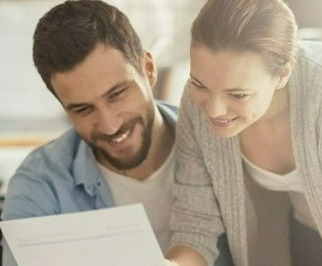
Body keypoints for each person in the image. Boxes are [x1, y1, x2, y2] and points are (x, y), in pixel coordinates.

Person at [166, 0, 322, 265]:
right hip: (304, 231)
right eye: (200, 84)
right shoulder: (195, 103)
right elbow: (195, 224)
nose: (213, 110)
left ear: (283, 72)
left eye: (238, 94)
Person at [1, 1, 186, 266]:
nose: (109, 126)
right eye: (83, 109)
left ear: (148, 68)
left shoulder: (223, 148)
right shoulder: (40, 185)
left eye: (117, 94)